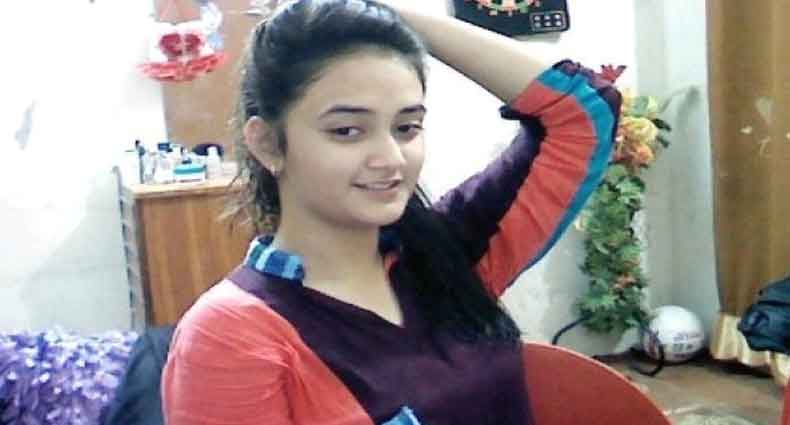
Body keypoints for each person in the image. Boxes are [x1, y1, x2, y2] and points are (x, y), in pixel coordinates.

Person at [161, 0, 621, 424]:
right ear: (267, 144)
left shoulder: (447, 257)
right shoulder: (232, 336)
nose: (391, 158)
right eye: (347, 130)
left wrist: (388, 12)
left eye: (406, 127)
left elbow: (583, 110)